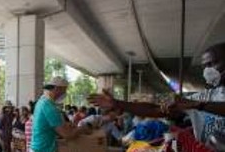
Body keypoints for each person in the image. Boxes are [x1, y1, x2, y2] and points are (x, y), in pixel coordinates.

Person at [89, 42, 225, 143]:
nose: (207, 71)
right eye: (205, 66)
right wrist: (117, 103)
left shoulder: (198, 101)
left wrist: (198, 105)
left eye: (212, 64)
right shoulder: (205, 96)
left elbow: (197, 104)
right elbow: (155, 109)